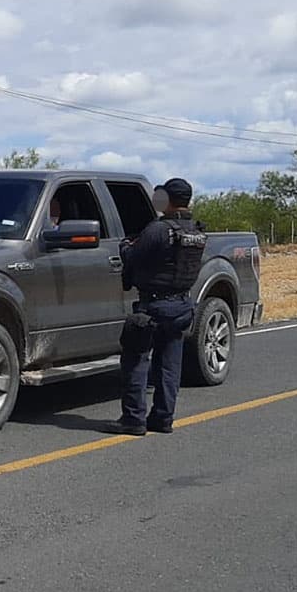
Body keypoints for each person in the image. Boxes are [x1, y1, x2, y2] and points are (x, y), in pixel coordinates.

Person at [103, 177, 207, 436]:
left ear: (168, 199)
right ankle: (163, 418)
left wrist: (126, 246)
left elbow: (133, 256)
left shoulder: (158, 230)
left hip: (154, 306)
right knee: (170, 365)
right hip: (182, 304)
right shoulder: (196, 232)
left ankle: (133, 419)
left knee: (136, 361)